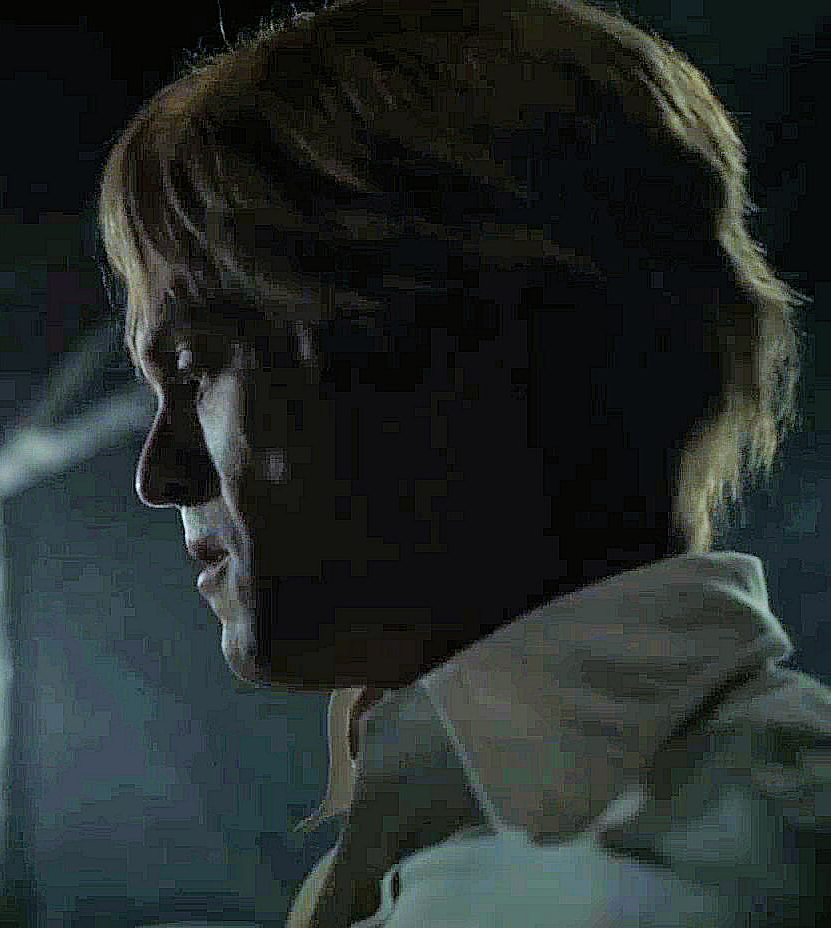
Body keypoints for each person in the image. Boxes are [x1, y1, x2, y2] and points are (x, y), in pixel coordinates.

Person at [99, 0, 826, 925]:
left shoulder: (697, 881)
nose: (158, 475)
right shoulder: (483, 844)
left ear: (442, 339)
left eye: (195, 366)